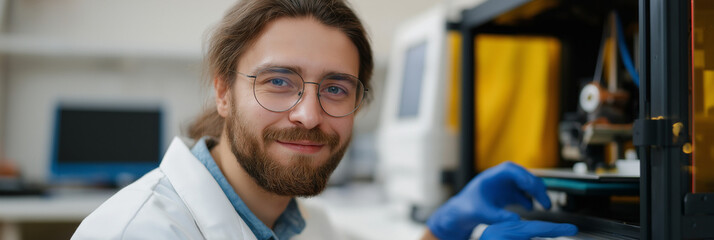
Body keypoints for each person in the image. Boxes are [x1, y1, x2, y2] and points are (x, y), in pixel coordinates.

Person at [72, 0, 578, 239]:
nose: (310, 115)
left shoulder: (305, 221)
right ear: (223, 92)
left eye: (335, 89)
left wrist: (440, 234)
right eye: (278, 82)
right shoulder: (140, 234)